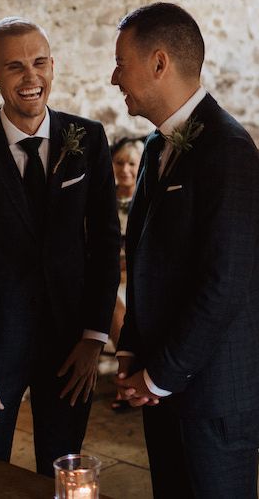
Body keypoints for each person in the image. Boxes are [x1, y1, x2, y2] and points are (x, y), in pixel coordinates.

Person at [111, 3, 259, 498]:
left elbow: (224, 284)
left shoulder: (229, 150)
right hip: (164, 379)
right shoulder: (154, 147)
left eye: (122, 63)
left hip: (216, 386)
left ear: (159, 63)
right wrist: (132, 350)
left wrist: (158, 375)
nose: (114, 76)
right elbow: (145, 258)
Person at [0, 17, 120, 475]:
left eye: (40, 62)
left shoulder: (88, 139)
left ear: (53, 66)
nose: (31, 77)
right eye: (14, 67)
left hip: (71, 348)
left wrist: (94, 337)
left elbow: (106, 244)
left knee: (64, 471)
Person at [109, 137, 144, 411]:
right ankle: (125, 382)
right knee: (114, 304)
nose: (125, 169)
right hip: (111, 279)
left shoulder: (146, 201)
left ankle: (137, 379)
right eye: (119, 162)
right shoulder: (102, 199)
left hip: (138, 278)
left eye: (132, 163)